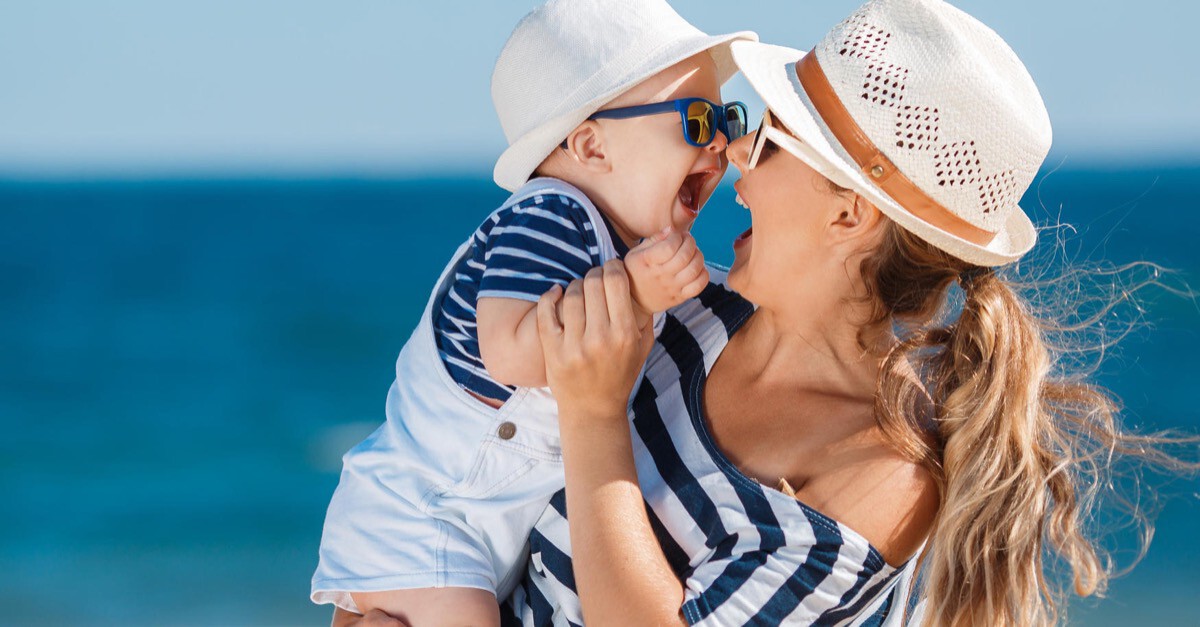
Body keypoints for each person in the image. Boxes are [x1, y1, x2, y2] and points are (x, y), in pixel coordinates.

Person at [501, 0, 1196, 625]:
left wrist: (592, 416)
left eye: (770, 139)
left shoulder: (879, 479)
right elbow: (461, 451)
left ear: (849, 213)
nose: (736, 152)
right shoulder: (677, 310)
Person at [311, 0, 756, 624]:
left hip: (479, 524)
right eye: (696, 120)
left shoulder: (611, 238)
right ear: (591, 145)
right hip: (423, 514)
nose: (720, 144)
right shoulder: (552, 215)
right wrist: (631, 291)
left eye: (727, 118)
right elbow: (509, 350)